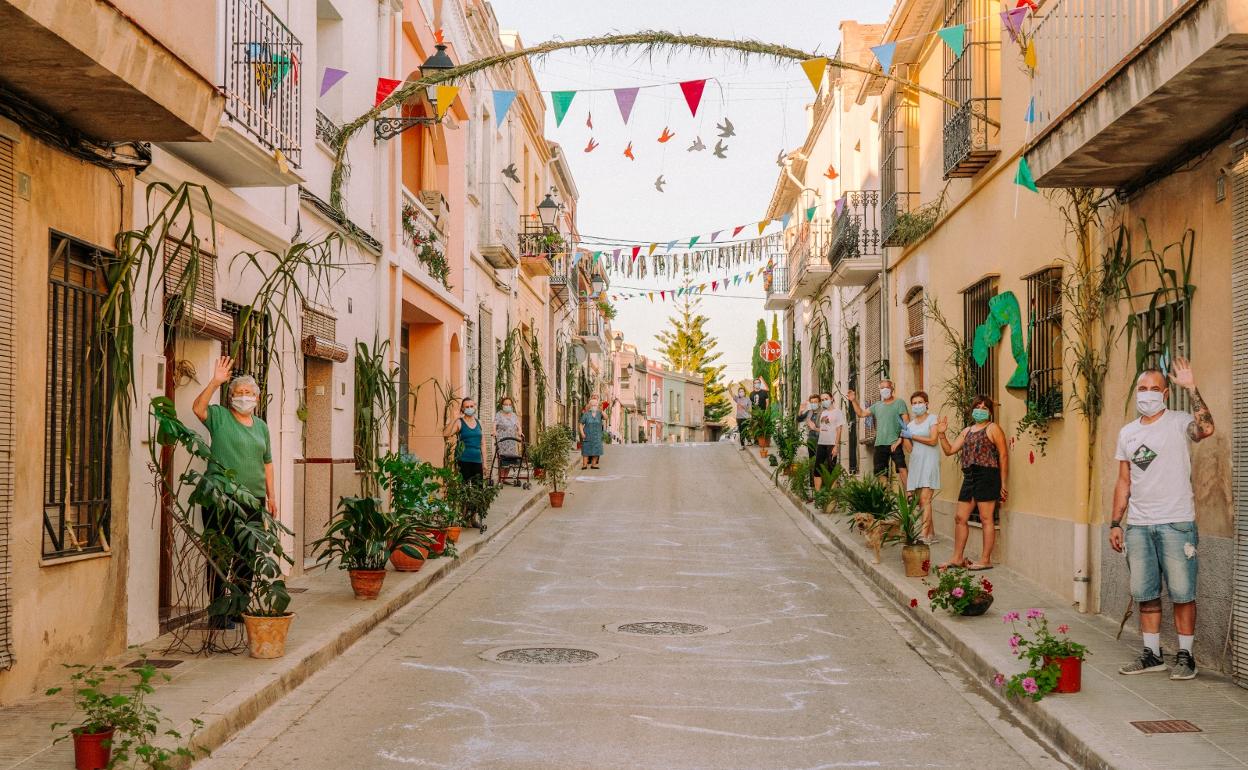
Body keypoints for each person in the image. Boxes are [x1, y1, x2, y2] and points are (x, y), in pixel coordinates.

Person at [1111, 360, 1213, 680]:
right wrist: (1116, 523)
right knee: (1146, 592)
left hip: (1176, 522)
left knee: (1183, 593)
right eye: (1143, 389)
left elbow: (1206, 429)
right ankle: (1152, 655)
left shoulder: (1179, 422)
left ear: (1165, 393)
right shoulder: (1128, 433)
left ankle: (1186, 656)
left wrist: (1192, 388)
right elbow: (1124, 481)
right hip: (1139, 526)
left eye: (1155, 389)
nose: (1148, 394)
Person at [193, 356, 275, 630]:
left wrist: (271, 497)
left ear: (257, 398)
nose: (244, 397)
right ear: (230, 397)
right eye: (239, 393)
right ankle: (217, 612)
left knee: (246, 554)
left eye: (249, 393)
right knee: (219, 553)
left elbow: (267, 462)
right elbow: (197, 408)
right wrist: (215, 381)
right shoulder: (219, 417)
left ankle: (238, 607)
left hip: (253, 499)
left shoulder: (262, 426)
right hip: (220, 497)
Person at [936, 395, 1008, 571]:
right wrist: (941, 434)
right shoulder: (967, 431)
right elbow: (950, 451)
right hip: (969, 476)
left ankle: (985, 560)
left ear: (990, 412)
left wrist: (1003, 483)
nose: (980, 410)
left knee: (985, 518)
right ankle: (957, 558)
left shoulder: (993, 428)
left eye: (985, 408)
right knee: (960, 517)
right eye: (978, 406)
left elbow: (1003, 455)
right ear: (972, 409)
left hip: (987, 475)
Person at [847, 380, 910, 486]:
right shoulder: (877, 406)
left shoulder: (899, 403)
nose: (884, 390)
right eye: (882, 388)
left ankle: (910, 496)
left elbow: (906, 422)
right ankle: (884, 498)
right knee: (881, 472)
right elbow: (861, 413)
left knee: (902, 468)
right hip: (880, 443)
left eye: (886, 387)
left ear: (892, 388)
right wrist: (853, 400)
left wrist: (900, 439)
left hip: (895, 442)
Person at [901, 391, 940, 543]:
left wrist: (912, 436)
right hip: (916, 463)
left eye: (920, 402)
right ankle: (931, 534)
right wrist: (904, 436)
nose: (917, 405)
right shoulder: (910, 425)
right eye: (914, 403)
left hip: (930, 461)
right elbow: (910, 449)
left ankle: (923, 536)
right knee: (921, 501)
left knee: (926, 498)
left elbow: (933, 440)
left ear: (926, 404)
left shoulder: (933, 418)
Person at [442, 397, 483, 483]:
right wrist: (454, 419)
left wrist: (485, 462)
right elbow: (446, 434)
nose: (469, 408)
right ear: (463, 409)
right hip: (463, 460)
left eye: (471, 406)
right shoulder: (459, 422)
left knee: (478, 489)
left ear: (475, 407)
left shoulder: (479, 422)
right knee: (464, 488)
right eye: (467, 407)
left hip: (477, 460)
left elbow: (482, 443)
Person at [813, 392, 846, 494]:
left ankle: (832, 496)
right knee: (817, 468)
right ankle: (818, 495)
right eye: (822, 400)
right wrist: (814, 428)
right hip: (821, 443)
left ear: (831, 399)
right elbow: (824, 429)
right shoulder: (823, 413)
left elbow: (839, 430)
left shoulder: (838, 412)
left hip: (832, 444)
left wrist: (836, 446)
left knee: (831, 469)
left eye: (826, 399)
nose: (824, 401)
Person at [494, 396, 523, 482]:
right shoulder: (498, 414)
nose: (507, 406)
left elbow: (518, 425)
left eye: (509, 404)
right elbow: (494, 423)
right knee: (502, 459)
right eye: (506, 404)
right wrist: (494, 431)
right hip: (502, 440)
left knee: (510, 460)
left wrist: (520, 431)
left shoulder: (514, 415)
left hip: (512, 440)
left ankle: (505, 478)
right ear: (502, 405)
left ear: (511, 405)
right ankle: (501, 478)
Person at [579, 402, 605, 469]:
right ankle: (584, 465)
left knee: (596, 450)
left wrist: (602, 411)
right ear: (590, 406)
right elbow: (581, 424)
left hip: (597, 435)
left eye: (595, 405)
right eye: (592, 405)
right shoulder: (586, 414)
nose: (594, 406)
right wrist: (582, 433)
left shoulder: (599, 414)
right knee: (586, 450)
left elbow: (606, 417)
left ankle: (593, 464)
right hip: (587, 434)